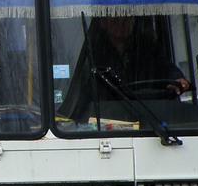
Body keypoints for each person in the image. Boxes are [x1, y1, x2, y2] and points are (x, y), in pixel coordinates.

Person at [58, 14, 190, 122]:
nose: (122, 24)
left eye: (127, 19)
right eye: (116, 19)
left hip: (148, 119)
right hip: (106, 122)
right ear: (103, 23)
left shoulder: (146, 48)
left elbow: (166, 67)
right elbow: (83, 96)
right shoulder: (93, 55)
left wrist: (177, 79)